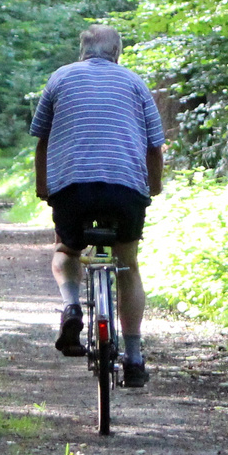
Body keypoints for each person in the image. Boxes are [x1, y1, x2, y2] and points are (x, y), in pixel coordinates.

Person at [28, 25, 164, 388]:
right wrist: (154, 188)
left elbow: (41, 140)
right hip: (125, 190)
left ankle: (72, 306)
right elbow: (155, 147)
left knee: (65, 250)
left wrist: (44, 186)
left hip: (72, 189)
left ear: (82, 51)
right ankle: (133, 358)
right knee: (127, 265)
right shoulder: (135, 83)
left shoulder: (59, 79)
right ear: (118, 52)